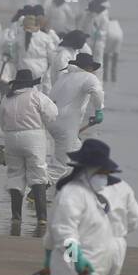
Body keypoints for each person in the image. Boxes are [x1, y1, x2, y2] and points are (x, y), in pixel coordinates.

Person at [45, 140, 119, 275]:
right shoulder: (72, 195)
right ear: (89, 170)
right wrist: (75, 259)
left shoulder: (91, 196)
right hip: (74, 269)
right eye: (102, 172)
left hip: (91, 270)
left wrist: (47, 251)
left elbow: (54, 231)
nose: (105, 178)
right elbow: (64, 231)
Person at [0, 69, 58, 224]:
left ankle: (16, 216)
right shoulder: (37, 96)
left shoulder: (7, 98)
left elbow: (1, 121)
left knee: (15, 175)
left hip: (11, 138)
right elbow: (52, 115)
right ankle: (42, 218)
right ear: (31, 83)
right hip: (33, 138)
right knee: (38, 174)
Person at [47, 52, 105, 183]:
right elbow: (97, 92)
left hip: (52, 121)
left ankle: (73, 186)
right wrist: (99, 111)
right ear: (89, 68)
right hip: (65, 125)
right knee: (61, 165)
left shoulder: (64, 76)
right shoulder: (89, 77)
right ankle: (35, 191)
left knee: (79, 154)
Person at [11, 11, 56, 92]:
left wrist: (17, 64)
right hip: (41, 70)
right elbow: (52, 55)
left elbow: (14, 55)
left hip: (23, 69)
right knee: (40, 92)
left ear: (24, 26)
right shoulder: (45, 37)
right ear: (36, 25)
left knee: (23, 91)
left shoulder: (18, 38)